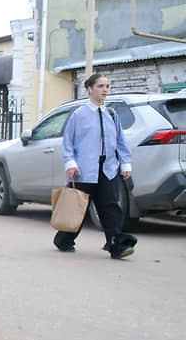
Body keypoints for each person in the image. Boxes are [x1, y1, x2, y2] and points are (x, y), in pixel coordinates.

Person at [53, 73, 136, 259]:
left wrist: (125, 163)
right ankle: (63, 239)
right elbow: (68, 142)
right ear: (89, 89)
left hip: (108, 169)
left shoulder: (111, 114)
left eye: (107, 86)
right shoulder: (79, 115)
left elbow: (120, 141)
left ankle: (117, 245)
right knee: (79, 208)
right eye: (100, 86)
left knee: (110, 206)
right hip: (83, 171)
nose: (105, 90)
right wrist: (71, 163)